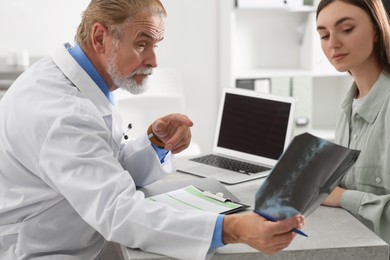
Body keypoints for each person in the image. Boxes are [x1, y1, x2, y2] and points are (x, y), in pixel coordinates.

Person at [0, 0, 304, 259]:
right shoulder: (63, 112)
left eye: (155, 45)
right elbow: (118, 212)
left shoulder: (83, 81)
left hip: (73, 231)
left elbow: (102, 165)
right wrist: (232, 229)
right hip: (43, 249)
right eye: (142, 44)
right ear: (100, 37)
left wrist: (156, 144)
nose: (154, 60)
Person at [316, 0, 390, 245]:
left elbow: (341, 195)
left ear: (377, 31)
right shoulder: (347, 107)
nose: (333, 43)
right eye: (324, 35)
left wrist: (341, 197)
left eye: (346, 29)